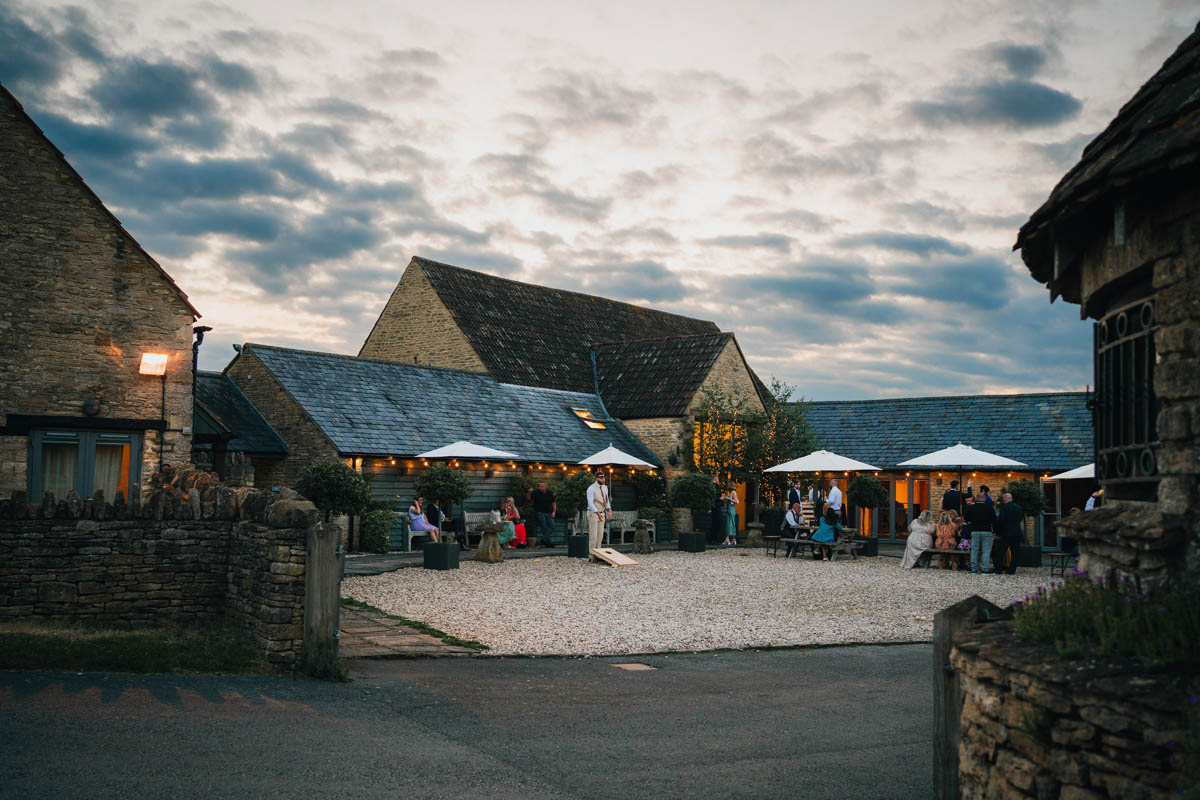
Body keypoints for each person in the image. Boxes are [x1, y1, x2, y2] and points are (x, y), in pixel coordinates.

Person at [964, 492, 996, 574]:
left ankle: (973, 569)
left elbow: (966, 518)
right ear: (984, 499)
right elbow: (994, 520)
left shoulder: (971, 507)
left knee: (974, 550)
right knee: (986, 550)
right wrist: (995, 531)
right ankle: (985, 569)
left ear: (976, 499)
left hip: (975, 530)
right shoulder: (989, 508)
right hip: (987, 530)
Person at [994, 492, 1024, 574]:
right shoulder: (1019, 507)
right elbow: (1020, 519)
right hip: (1017, 532)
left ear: (1005, 499)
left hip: (1006, 533)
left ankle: (999, 569)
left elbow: (1001, 521)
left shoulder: (1004, 508)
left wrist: (997, 532)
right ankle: (1012, 570)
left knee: (1001, 551)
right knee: (1015, 552)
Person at [586, 472, 610, 559]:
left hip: (602, 512)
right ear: (596, 478)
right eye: (601, 477)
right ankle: (591, 555)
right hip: (593, 513)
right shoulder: (591, 489)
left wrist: (609, 510)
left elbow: (606, 500)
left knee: (600, 535)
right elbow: (590, 503)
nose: (603, 479)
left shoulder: (605, 488)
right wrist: (597, 513)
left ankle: (598, 554)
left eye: (604, 477)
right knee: (593, 535)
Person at [531, 481, 556, 547]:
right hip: (540, 512)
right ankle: (548, 543)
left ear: (545, 486)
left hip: (549, 513)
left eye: (542, 486)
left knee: (552, 526)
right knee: (544, 527)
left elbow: (553, 503)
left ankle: (544, 539)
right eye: (539, 486)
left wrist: (554, 511)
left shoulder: (550, 493)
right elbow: (529, 499)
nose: (540, 487)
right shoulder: (536, 492)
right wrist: (529, 492)